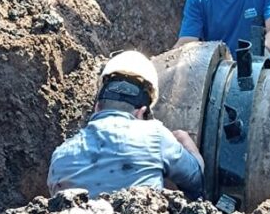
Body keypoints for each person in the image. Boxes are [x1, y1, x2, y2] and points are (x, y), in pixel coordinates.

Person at [47, 51, 204, 199]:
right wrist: (186, 143)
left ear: (97, 107)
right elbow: (196, 182)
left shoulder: (60, 156)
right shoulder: (155, 135)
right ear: (141, 112)